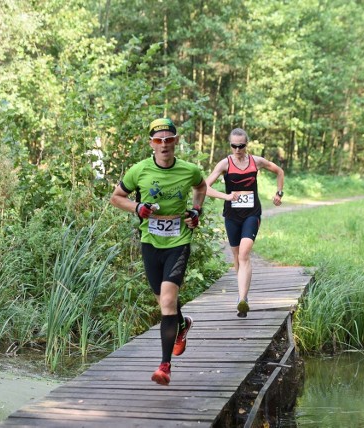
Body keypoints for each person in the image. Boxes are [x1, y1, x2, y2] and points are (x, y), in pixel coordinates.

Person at [110, 118, 207, 386]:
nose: (163, 145)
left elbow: (201, 187)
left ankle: (165, 366)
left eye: (168, 140)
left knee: (166, 301)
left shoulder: (189, 170)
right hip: (151, 243)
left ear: (176, 141)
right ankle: (182, 325)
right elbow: (116, 197)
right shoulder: (139, 171)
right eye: (158, 140)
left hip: (178, 242)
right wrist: (137, 208)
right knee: (164, 302)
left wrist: (196, 211)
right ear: (151, 144)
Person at [205, 128, 284, 318]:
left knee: (244, 253)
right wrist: (226, 196)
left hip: (252, 213)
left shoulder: (256, 161)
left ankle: (242, 299)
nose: (238, 149)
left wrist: (279, 193)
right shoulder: (225, 164)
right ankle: (243, 295)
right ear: (230, 145)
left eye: (241, 146)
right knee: (236, 254)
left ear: (246, 144)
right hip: (232, 215)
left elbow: (279, 171)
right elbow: (204, 187)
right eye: (234, 146)